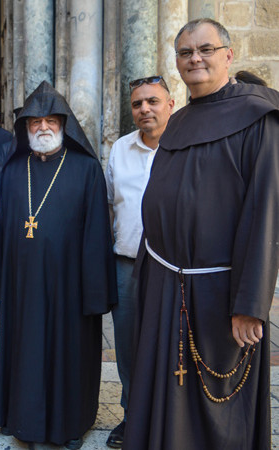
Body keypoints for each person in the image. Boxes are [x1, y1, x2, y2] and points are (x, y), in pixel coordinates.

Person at [125, 19, 279, 450]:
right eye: (186, 52)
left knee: (218, 407)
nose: (195, 59)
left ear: (228, 55)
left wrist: (250, 304)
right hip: (166, 285)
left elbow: (266, 212)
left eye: (205, 49)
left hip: (220, 291)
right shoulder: (179, 120)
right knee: (168, 391)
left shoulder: (258, 117)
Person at [0, 80, 116, 449]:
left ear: (64, 125)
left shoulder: (86, 168)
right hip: (23, 284)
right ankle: (23, 421)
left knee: (68, 354)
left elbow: (96, 233)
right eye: (34, 122)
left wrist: (94, 292)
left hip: (69, 286)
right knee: (24, 351)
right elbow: (1, 227)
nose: (43, 127)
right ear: (25, 128)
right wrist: (0, 280)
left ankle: (68, 424)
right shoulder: (14, 170)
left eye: (50, 121)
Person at [103, 75, 174, 449]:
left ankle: (168, 419)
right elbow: (112, 207)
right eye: (137, 104)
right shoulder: (120, 150)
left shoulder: (185, 147)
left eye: (153, 101)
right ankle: (132, 418)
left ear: (170, 105)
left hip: (171, 269)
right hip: (127, 266)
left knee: (171, 345)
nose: (144, 109)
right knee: (129, 348)